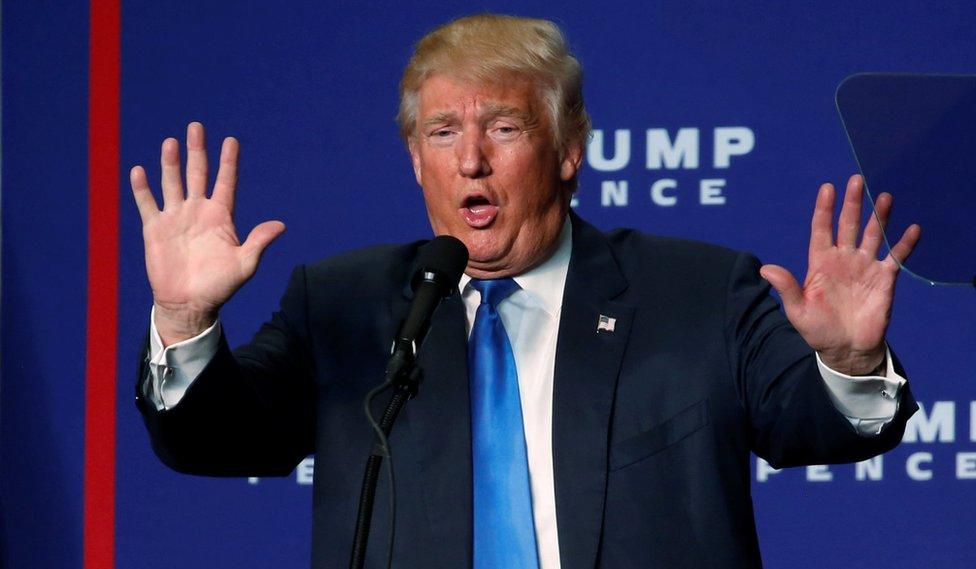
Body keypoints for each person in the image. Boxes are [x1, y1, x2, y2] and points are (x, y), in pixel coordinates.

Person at [130, 14, 920, 569]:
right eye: (443, 133)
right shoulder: (342, 302)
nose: (470, 160)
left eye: (503, 128)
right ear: (415, 158)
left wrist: (849, 357)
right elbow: (213, 439)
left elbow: (816, 426)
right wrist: (186, 316)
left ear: (569, 148)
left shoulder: (699, 291)